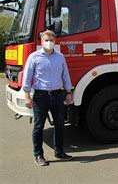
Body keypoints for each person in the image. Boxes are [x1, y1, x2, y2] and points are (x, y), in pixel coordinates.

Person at [23, 30, 73, 166]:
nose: (49, 42)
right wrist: (27, 95)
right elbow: (27, 77)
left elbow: (65, 75)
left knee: (60, 125)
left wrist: (69, 92)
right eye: (46, 39)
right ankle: (38, 155)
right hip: (40, 96)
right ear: (41, 41)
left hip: (57, 95)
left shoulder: (60, 57)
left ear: (55, 41)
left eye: (51, 39)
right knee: (38, 127)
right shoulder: (34, 57)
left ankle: (59, 152)